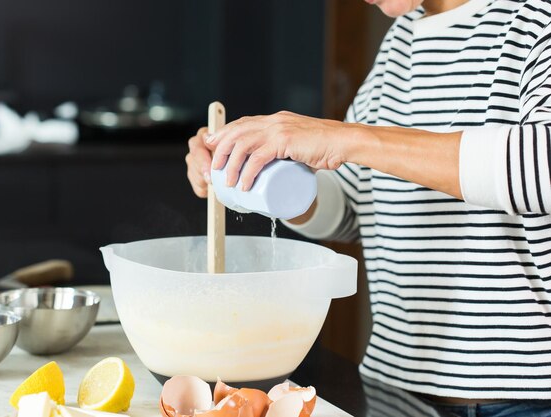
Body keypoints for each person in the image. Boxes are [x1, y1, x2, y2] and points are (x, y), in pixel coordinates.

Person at [186, 0, 551, 415]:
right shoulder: (401, 43)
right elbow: (352, 209)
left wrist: (347, 138)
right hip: (396, 390)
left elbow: (540, 167)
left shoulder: (536, 19)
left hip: (529, 399)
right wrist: (253, 177)